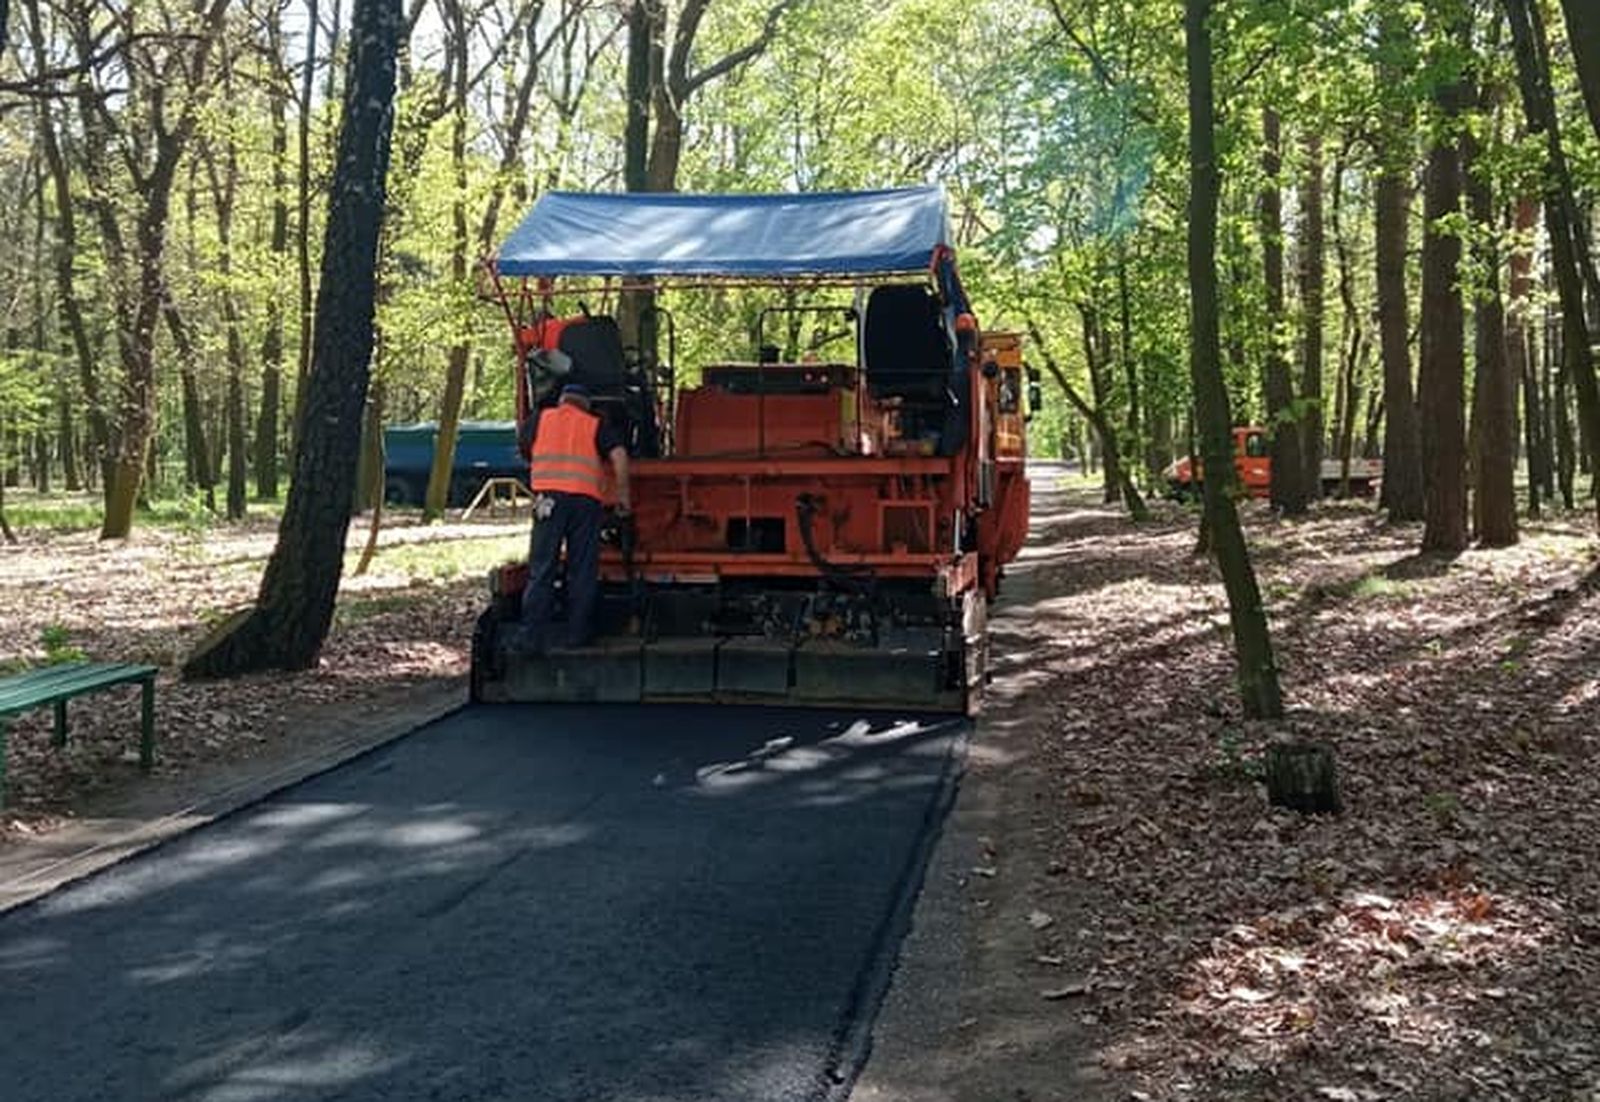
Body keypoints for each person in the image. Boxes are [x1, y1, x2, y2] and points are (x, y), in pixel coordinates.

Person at [522, 384, 630, 649]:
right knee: (582, 569)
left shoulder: (539, 420)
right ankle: (577, 634)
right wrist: (623, 497)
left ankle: (532, 636)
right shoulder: (594, 425)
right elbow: (620, 455)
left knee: (542, 567)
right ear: (586, 404)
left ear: (562, 401)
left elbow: (525, 448)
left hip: (548, 500)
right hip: (585, 502)